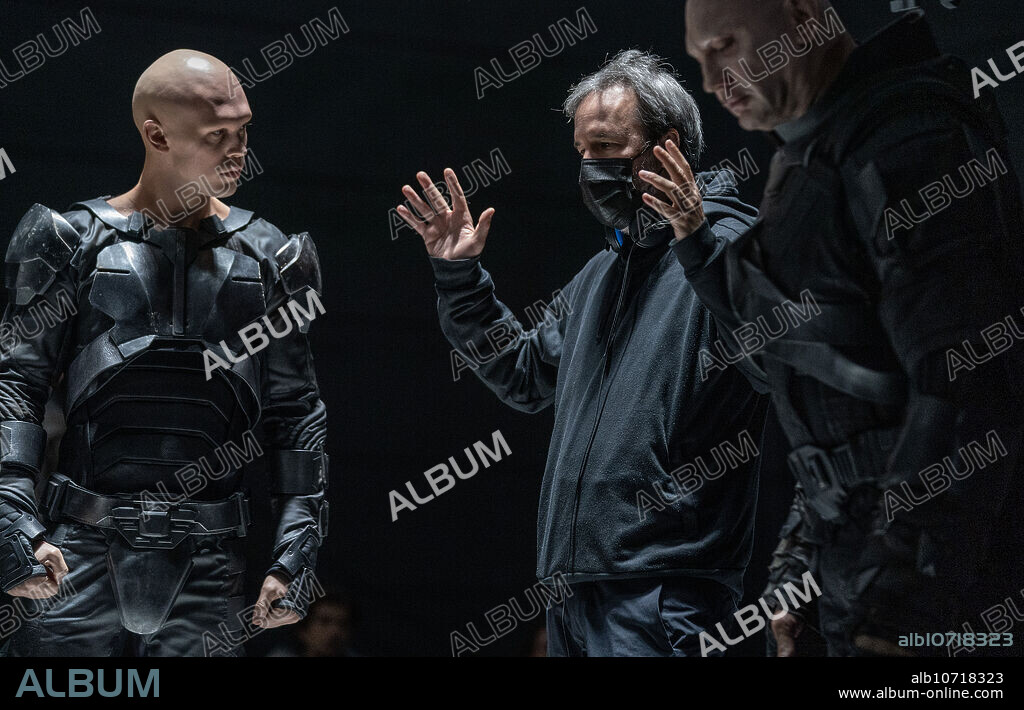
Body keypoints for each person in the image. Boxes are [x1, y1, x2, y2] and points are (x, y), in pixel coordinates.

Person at [642, 0, 1024, 655]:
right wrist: (801, 573)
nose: (710, 81)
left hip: (945, 600)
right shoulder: (815, 154)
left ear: (800, 11)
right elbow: (830, 404)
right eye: (699, 60)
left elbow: (968, 384)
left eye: (725, 44)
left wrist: (898, 603)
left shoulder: (909, 137)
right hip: (859, 587)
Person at [396, 50, 764, 656]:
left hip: (666, 588)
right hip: (573, 588)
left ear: (665, 145)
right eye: (582, 153)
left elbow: (777, 358)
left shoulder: (729, 246)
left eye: (607, 147)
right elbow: (523, 376)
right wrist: (459, 276)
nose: (591, 167)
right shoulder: (603, 272)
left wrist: (696, 240)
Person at [0, 49, 329, 656]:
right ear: (156, 134)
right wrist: (12, 520)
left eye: (243, 131)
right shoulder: (67, 241)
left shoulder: (274, 258)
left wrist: (295, 551)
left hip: (210, 561)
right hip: (74, 553)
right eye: (217, 135)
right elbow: (15, 387)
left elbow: (296, 412)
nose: (239, 151)